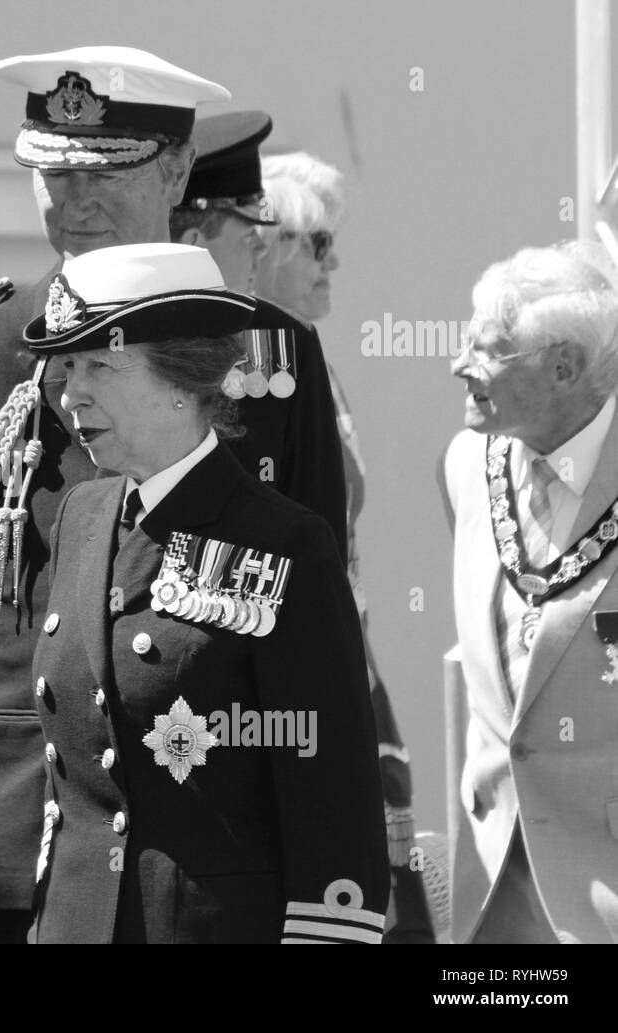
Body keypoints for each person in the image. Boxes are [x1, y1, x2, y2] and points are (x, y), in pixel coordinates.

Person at [0, 44, 231, 944]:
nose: (73, 203)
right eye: (52, 174)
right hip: (17, 827)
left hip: (203, 827)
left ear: (176, 169)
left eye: (105, 175)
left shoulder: (257, 358)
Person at [27, 242, 388, 942]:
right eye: (66, 367)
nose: (72, 393)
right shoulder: (80, 515)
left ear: (186, 379)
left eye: (100, 364)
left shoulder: (285, 542)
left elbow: (330, 796)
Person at [256, 153, 432, 942]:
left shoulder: (306, 360)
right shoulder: (249, 368)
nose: (336, 263)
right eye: (319, 243)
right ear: (267, 245)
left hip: (345, 653)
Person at [442, 242, 618, 943]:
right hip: (495, 892)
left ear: (564, 369)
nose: (460, 364)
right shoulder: (463, 464)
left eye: (489, 351)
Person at [170, 111, 347, 557]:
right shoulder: (111, 339)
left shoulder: (289, 344)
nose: (259, 247)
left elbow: (321, 508)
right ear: (194, 242)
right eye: (250, 234)